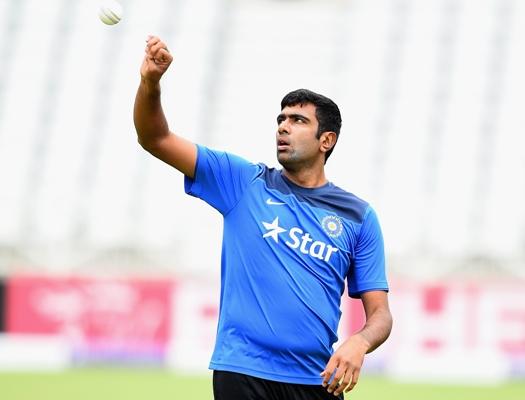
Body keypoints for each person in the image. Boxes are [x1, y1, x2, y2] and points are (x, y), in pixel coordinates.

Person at [134, 36, 393, 400]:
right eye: (281, 119)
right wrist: (151, 83)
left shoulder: (359, 217)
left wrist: (360, 342)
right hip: (243, 372)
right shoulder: (243, 182)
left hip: (317, 379)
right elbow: (154, 138)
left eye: (298, 120)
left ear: (326, 140)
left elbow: (380, 314)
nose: (283, 127)